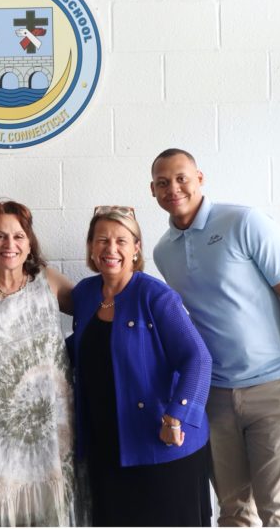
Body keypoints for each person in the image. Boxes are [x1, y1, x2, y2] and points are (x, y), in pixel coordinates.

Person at [150, 148, 280, 526]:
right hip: (217, 398)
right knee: (234, 512)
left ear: (200, 178)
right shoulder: (163, 252)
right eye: (162, 182)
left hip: (276, 389)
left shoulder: (246, 222)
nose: (173, 188)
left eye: (181, 178)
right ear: (153, 190)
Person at [68, 205, 213, 527]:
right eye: (102, 240)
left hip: (159, 442)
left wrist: (176, 417)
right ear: (91, 247)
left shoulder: (155, 296)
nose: (111, 249)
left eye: (121, 240)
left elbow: (198, 358)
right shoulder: (85, 294)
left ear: (136, 249)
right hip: (105, 447)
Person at [0, 200, 77, 526]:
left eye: (18, 236)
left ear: (29, 242)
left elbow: (101, 309)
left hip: (54, 436)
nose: (10, 245)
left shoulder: (47, 282)